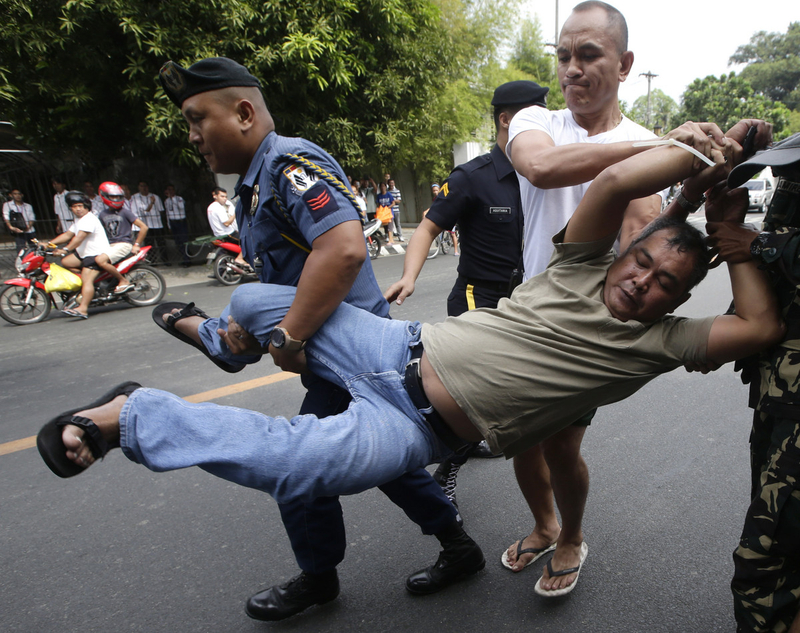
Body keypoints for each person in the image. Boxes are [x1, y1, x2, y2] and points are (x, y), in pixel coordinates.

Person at [39, 122, 782, 615]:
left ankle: (128, 414)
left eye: (665, 284)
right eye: (642, 262)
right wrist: (704, 156)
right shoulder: (578, 265)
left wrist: (732, 236)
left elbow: (760, 326)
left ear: (680, 300)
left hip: (412, 428)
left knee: (292, 466)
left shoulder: (661, 343)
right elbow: (616, 185)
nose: (644, 282)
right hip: (394, 346)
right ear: (623, 252)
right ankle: (222, 340)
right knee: (256, 299)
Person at [153, 57, 478, 619]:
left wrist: (286, 338)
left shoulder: (289, 164)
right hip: (328, 351)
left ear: (244, 113)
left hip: (355, 351)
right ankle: (456, 544)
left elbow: (344, 249)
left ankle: (319, 576)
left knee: (299, 463)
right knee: (384, 454)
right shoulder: (253, 187)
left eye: (196, 119)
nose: (192, 136)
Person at [500, 0, 676, 591]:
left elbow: (639, 241)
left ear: (624, 65)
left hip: (585, 328)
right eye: (563, 56)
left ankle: (571, 534)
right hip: (526, 312)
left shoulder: (648, 143)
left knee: (559, 442)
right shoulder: (535, 121)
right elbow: (542, 169)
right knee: (518, 439)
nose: (571, 69)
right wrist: (648, 152)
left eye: (589, 55)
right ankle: (544, 524)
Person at [385, 80, 550, 510]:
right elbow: (428, 227)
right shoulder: (473, 177)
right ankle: (446, 472)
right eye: (536, 116)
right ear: (506, 120)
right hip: (480, 299)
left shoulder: (545, 174)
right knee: (474, 394)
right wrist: (409, 276)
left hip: (527, 301)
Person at [704, 132, 800, 633]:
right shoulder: (790, 182)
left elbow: (767, 250)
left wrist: (758, 244)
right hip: (777, 394)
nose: (783, 178)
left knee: (764, 564)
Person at [47, 191, 111, 319]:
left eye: (80, 206)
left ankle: (83, 308)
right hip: (83, 254)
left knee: (87, 280)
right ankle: (89, 285)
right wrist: (48, 244)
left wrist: (65, 249)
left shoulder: (89, 219)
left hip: (95, 254)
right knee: (66, 262)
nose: (77, 209)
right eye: (74, 206)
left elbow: (79, 238)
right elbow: (67, 235)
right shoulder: (78, 220)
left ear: (86, 207)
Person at [95, 181, 149, 293]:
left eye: (118, 197)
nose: (116, 199)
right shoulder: (102, 214)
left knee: (100, 261)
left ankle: (123, 281)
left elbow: (144, 227)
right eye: (112, 197)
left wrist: (137, 244)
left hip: (123, 244)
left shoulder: (125, 212)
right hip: (109, 246)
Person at [130, 181, 167, 264]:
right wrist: (151, 203)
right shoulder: (135, 198)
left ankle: (165, 260)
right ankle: (152, 261)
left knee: (161, 242)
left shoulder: (155, 197)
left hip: (156, 224)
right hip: (145, 224)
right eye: (141, 186)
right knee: (149, 244)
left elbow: (161, 210)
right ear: (138, 187)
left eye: (145, 186)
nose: (144, 188)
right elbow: (142, 212)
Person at [164, 184, 190, 266]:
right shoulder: (166, 201)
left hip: (181, 221)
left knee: (184, 240)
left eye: (171, 190)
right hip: (173, 222)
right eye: (168, 190)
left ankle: (187, 259)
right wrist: (169, 225)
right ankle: (184, 257)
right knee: (177, 241)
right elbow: (167, 213)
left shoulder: (179, 199)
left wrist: (173, 199)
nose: (170, 191)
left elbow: (181, 207)